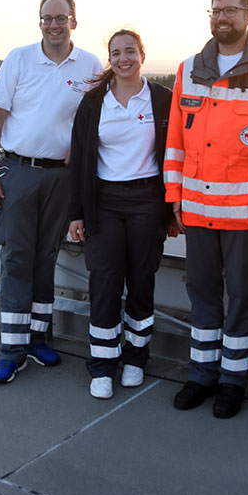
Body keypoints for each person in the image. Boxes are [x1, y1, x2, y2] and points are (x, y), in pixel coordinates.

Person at [163, 0, 248, 418]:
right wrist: (174, 196)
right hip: (197, 211)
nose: (222, 18)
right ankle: (201, 374)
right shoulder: (188, 70)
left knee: (240, 297)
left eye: (231, 10)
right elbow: (175, 142)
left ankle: (233, 380)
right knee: (201, 293)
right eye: (216, 10)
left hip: (246, 215)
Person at [0, 0, 102, 384]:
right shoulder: (19, 59)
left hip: (60, 178)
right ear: (40, 23)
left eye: (60, 18)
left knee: (46, 256)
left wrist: (78, 153)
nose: (53, 25)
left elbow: (95, 120)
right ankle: (11, 351)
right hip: (19, 172)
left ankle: (37, 339)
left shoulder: (89, 64)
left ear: (73, 22)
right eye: (47, 18)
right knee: (17, 257)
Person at [67, 29, 175, 399]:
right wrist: (76, 213)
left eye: (130, 51)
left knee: (142, 280)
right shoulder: (94, 102)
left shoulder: (162, 99)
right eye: (116, 53)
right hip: (105, 202)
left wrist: (172, 210)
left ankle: (136, 358)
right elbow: (79, 161)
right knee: (105, 282)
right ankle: (102, 363)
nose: (123, 59)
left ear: (142, 55)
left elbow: (176, 154)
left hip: (148, 200)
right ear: (109, 59)